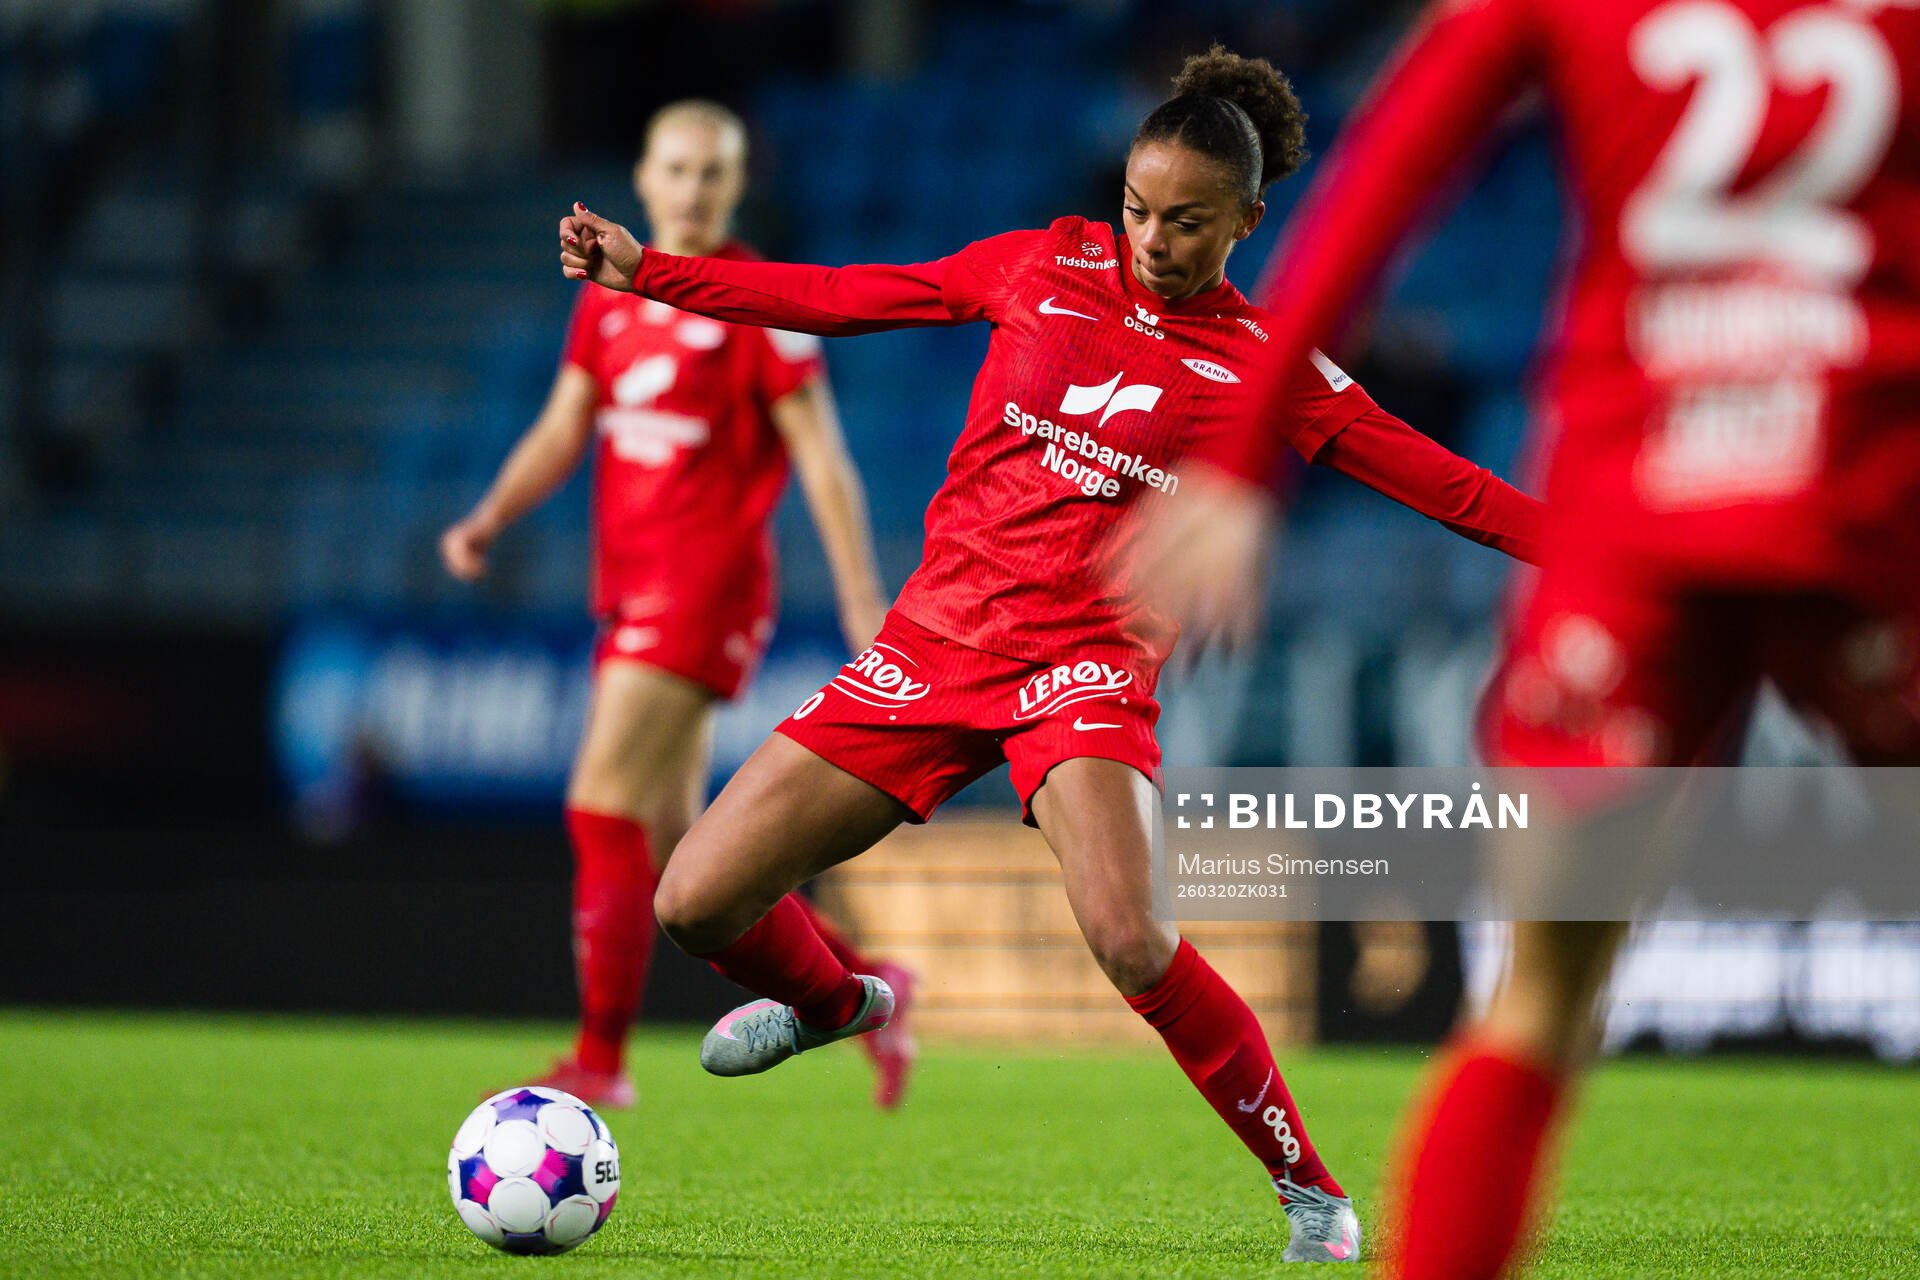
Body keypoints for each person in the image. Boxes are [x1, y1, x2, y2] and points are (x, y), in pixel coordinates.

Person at [559, 50, 1545, 1264]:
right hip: (933, 642)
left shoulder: (1264, 363)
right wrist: (653, 273)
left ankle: (1313, 1194)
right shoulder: (1045, 260)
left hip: (1079, 666)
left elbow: (1441, 479)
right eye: (1138, 208)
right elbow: (849, 294)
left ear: (1247, 218)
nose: (1153, 239)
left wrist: (1600, 550)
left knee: (1132, 937)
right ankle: (843, 1001)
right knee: (694, 899)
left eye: (1187, 221)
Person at [1130, 5, 1920, 1277]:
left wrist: (1240, 464)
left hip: (1640, 504)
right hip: (1868, 488)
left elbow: (1386, 174)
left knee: (1537, 1004)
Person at [442, 100, 916, 1111]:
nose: (694, 188)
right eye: (678, 169)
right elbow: (563, 429)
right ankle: (867, 986)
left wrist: (863, 600)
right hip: (632, 592)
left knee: (599, 802)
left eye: (714, 172)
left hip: (702, 593)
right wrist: (488, 516)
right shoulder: (607, 303)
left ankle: (601, 1061)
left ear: (735, 187)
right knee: (675, 857)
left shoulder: (751, 304)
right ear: (645, 180)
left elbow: (826, 463)